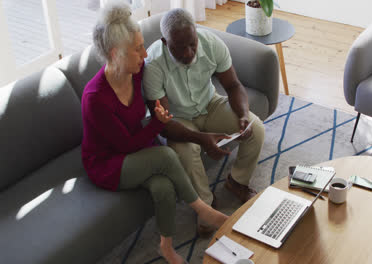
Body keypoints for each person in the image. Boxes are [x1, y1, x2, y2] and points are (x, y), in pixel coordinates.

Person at [81, 2, 228, 263]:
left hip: (138, 148)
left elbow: (147, 121)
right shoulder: (95, 98)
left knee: (163, 187)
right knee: (165, 156)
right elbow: (125, 145)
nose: (144, 54)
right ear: (116, 54)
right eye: (137, 49)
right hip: (109, 163)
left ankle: (166, 247)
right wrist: (158, 124)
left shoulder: (136, 74)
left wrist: (161, 121)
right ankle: (204, 209)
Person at [143, 8, 265, 234]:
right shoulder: (153, 64)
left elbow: (233, 86)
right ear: (164, 41)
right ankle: (206, 206)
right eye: (179, 48)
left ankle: (237, 182)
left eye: (192, 44)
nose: (188, 53)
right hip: (177, 120)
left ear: (196, 33)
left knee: (256, 129)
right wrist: (201, 140)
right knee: (186, 154)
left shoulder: (212, 44)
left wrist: (243, 115)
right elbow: (164, 124)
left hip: (210, 104)